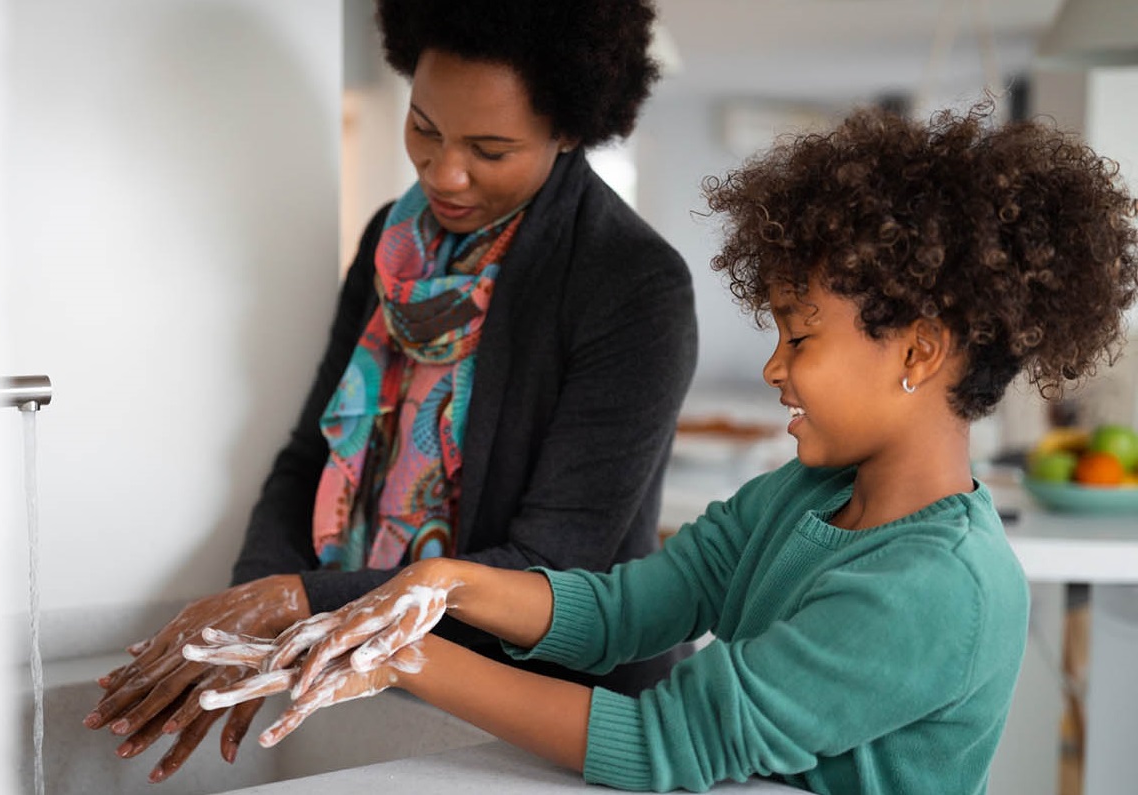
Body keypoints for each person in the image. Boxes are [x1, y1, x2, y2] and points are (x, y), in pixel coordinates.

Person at [188, 103, 1138, 793]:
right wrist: (444, 589)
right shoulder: (804, 498)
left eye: (798, 337)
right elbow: (629, 606)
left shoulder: (937, 588)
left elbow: (667, 741)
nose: (774, 369)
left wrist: (404, 654)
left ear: (920, 351)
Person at [84, 0, 698, 782]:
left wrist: (298, 601)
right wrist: (255, 608)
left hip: (550, 712)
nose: (444, 173)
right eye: (425, 128)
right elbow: (309, 454)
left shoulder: (632, 285)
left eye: (490, 148)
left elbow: (549, 567)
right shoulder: (391, 242)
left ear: (570, 129)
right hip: (370, 670)